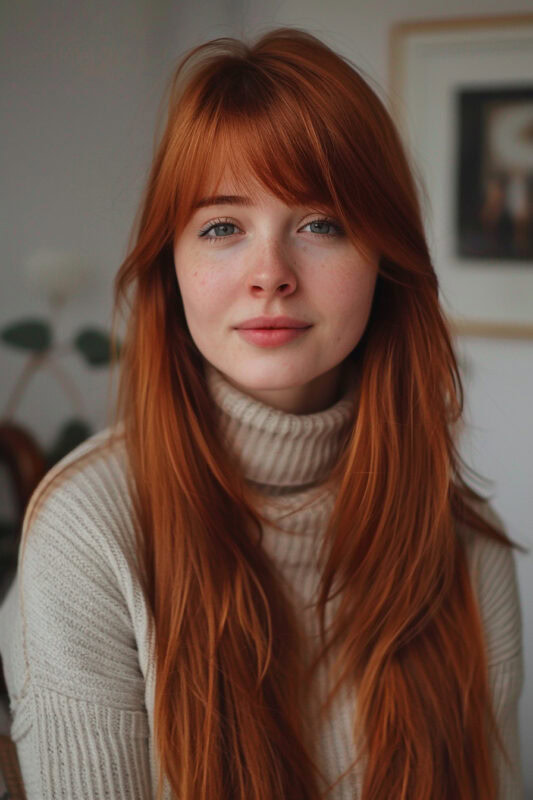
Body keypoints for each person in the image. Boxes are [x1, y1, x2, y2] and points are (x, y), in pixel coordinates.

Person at [0, 26, 526, 800]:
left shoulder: (462, 541)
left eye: (321, 224)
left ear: (386, 259)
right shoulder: (89, 533)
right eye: (222, 228)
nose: (270, 275)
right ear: (169, 264)